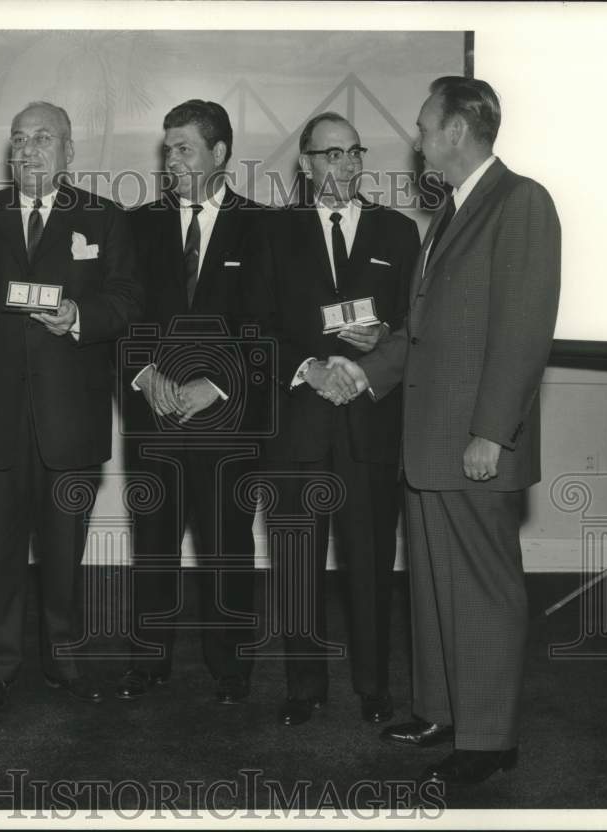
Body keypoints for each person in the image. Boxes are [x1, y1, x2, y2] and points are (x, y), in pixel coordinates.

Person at [354, 76, 561, 785]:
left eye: (423, 127)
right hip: (431, 440)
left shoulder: (521, 201)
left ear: (456, 131)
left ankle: (489, 740)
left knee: (481, 591)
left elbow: (523, 331)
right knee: (436, 586)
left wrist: (492, 434)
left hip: (474, 441)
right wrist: (363, 372)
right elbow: (423, 330)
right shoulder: (450, 212)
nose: (416, 142)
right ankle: (441, 712)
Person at [0, 101, 143, 712]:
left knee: (64, 553)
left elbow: (128, 300)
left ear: (69, 152)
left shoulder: (104, 217)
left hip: (69, 420)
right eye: (19, 139)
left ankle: (65, 661)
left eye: (43, 138)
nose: (28, 150)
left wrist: (79, 316)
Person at [245, 112, 420, 727]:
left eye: (354, 152)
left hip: (369, 422)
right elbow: (254, 330)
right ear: (305, 163)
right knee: (296, 563)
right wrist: (309, 369)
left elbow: (415, 325)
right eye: (330, 155)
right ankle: (304, 686)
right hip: (298, 423)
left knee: (370, 562)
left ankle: (373, 685)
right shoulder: (271, 232)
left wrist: (380, 340)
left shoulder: (398, 232)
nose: (345, 165)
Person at [117, 100, 267, 705]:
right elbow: (121, 312)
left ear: (220, 153)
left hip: (228, 421)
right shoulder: (136, 225)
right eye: (168, 148)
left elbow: (266, 325)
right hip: (153, 416)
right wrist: (143, 372)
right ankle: (148, 661)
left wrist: (218, 384)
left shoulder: (262, 227)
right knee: (152, 543)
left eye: (184, 148)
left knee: (228, 546)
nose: (171, 159)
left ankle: (231, 667)